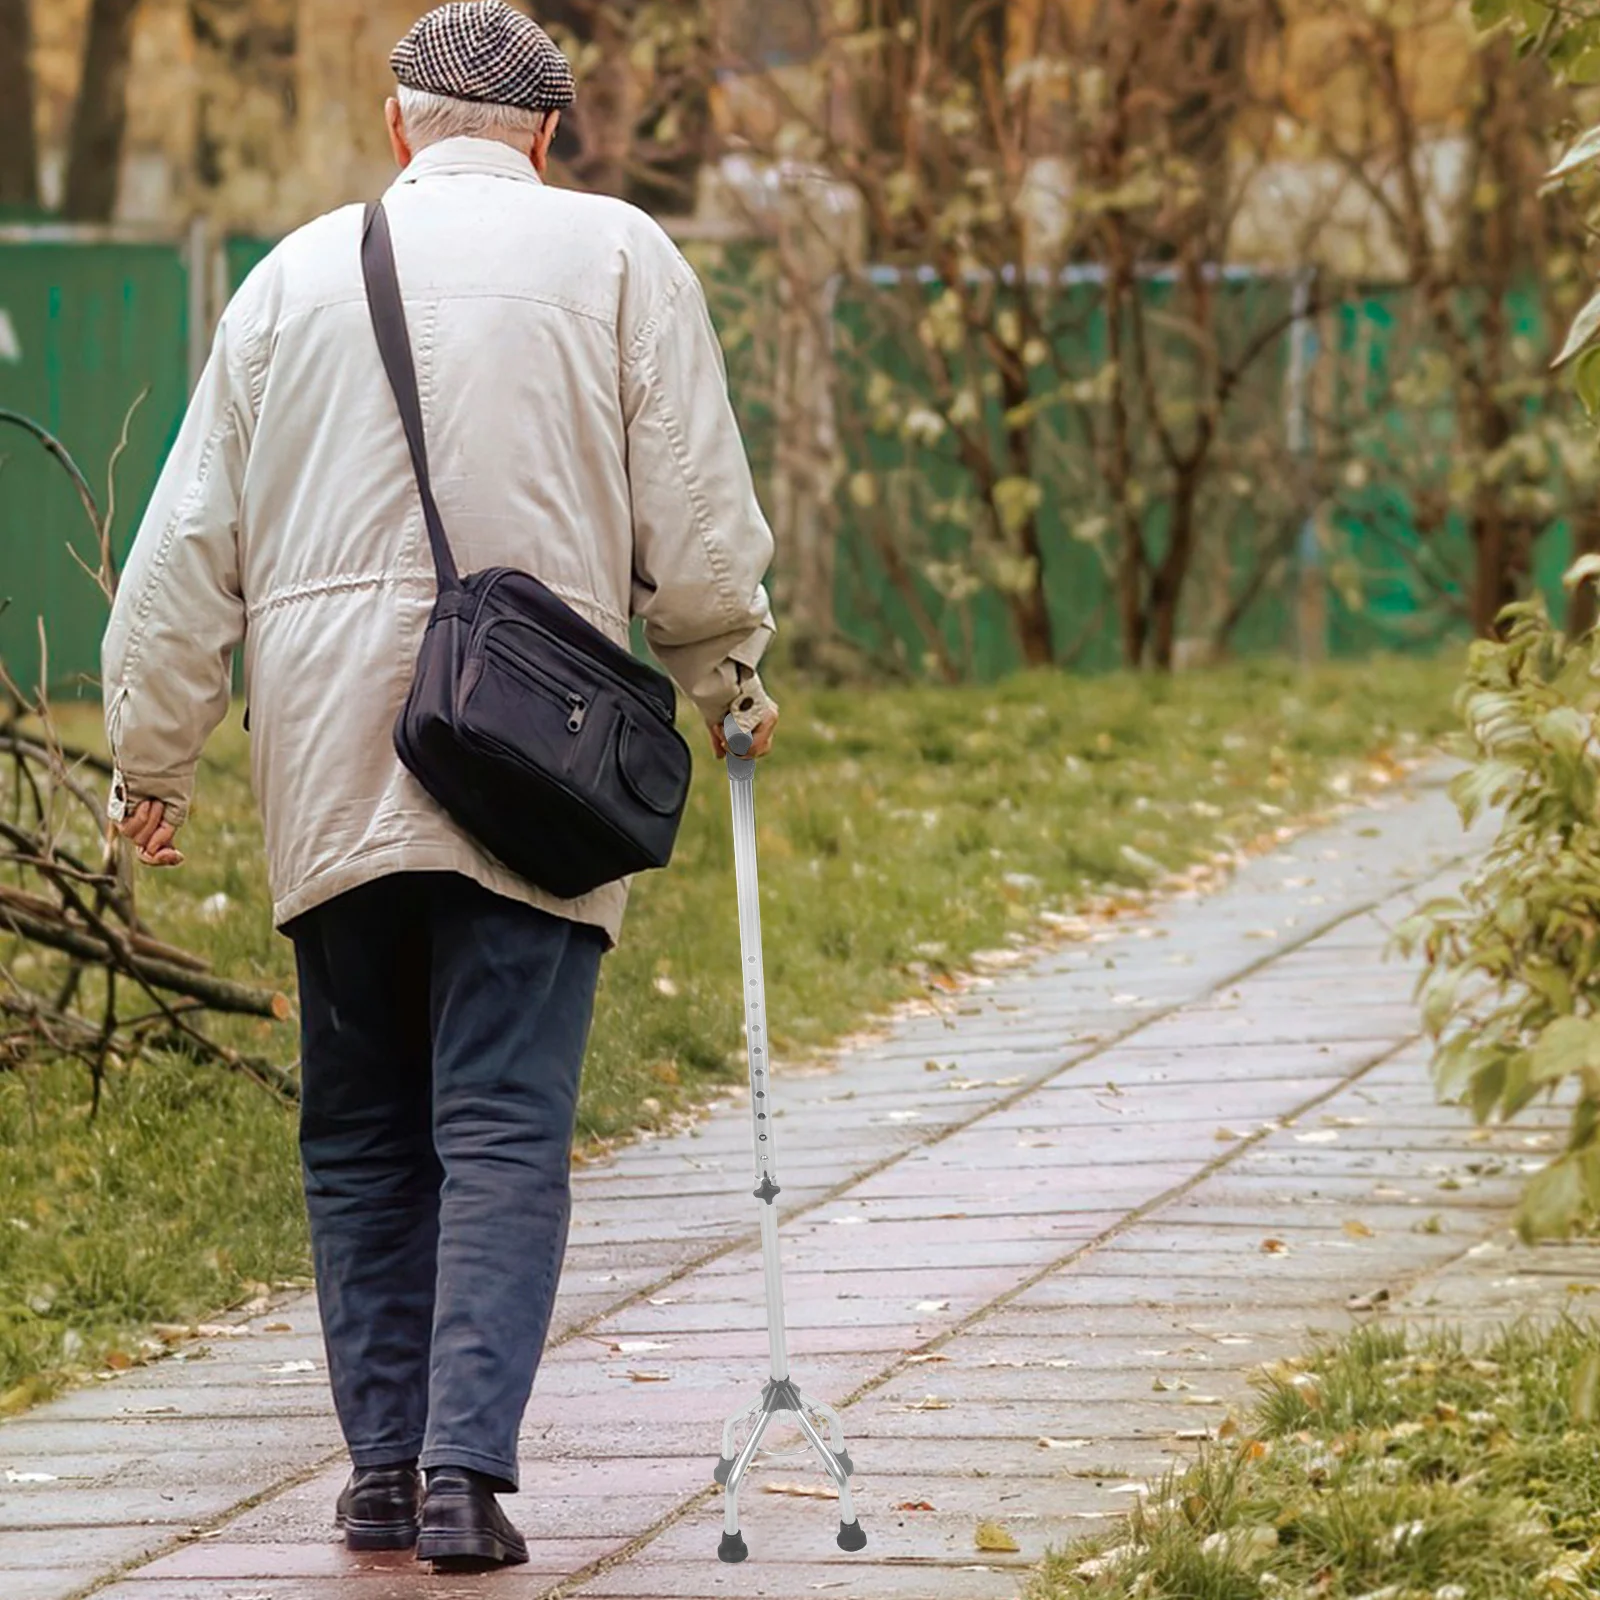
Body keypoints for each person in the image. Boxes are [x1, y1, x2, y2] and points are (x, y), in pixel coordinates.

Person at [102, 0, 780, 1573]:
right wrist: (728, 680)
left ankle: (378, 1477)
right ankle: (467, 1476)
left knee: (356, 1135)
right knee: (500, 1127)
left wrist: (153, 754)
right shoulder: (621, 259)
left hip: (333, 758)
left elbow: (183, 547)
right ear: (545, 138)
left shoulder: (284, 282)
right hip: (530, 761)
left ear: (398, 126)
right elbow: (694, 513)